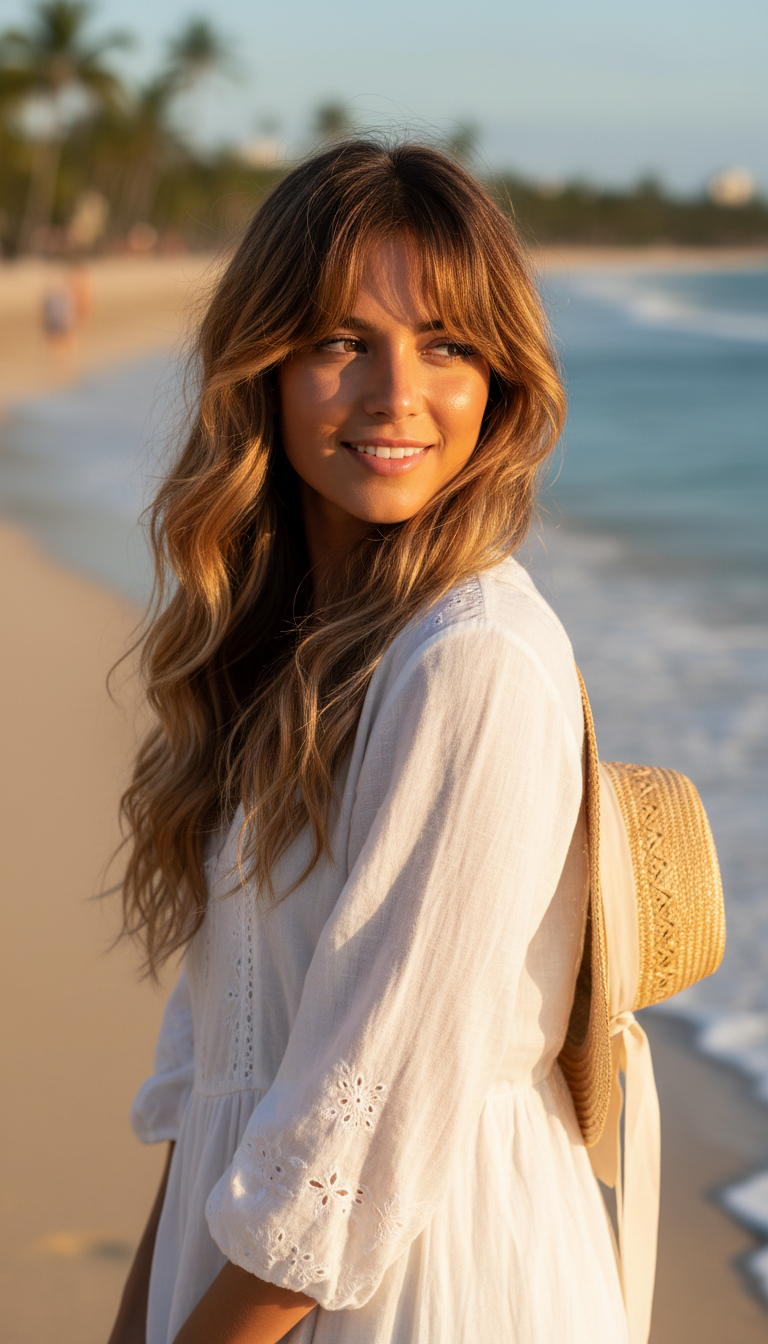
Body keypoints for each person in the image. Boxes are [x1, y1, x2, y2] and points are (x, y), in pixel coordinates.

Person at [108, 139, 629, 1344]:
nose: (399, 395)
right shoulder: (284, 655)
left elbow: (359, 1126)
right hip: (248, 1286)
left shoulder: (472, 660)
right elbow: (212, 1093)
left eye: (447, 346)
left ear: (499, 380)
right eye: (344, 341)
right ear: (268, 367)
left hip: (425, 1292)